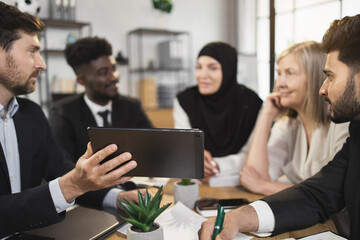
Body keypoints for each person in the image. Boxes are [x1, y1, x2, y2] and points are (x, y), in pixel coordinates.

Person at [199, 14, 360, 240]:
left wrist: (263, 184)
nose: (322, 89)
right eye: (278, 73)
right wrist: (235, 218)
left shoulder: (345, 125)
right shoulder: (356, 132)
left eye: (330, 76)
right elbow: (319, 194)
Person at [0, 2, 141, 237]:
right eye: (32, 51)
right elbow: (70, 181)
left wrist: (116, 197)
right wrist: (72, 185)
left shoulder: (31, 115)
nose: (42, 64)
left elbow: (64, 170)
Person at [240, 41, 349, 196]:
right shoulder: (288, 125)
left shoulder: (341, 123)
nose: (279, 84)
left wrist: (265, 186)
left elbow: (333, 191)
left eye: (289, 73)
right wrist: (266, 115)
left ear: (314, 78)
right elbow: (254, 175)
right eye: (278, 73)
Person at [49, 37, 153, 162]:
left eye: (114, 68)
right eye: (103, 72)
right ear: (82, 80)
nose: (114, 77)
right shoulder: (63, 113)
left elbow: (154, 145)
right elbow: (63, 166)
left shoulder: (131, 106)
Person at [173, 42, 262, 182]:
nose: (202, 75)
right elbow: (183, 148)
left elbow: (252, 154)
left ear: (229, 70)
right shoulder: (185, 101)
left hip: (239, 181)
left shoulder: (251, 103)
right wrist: (196, 158)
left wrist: (217, 165)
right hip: (196, 181)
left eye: (213, 68)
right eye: (198, 67)